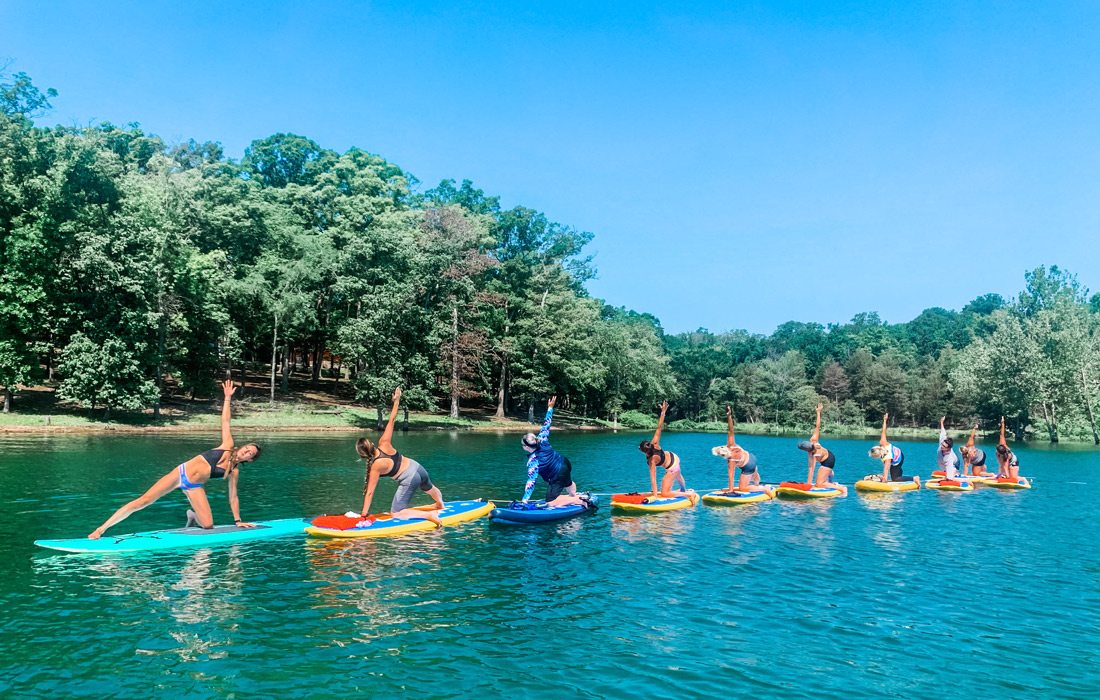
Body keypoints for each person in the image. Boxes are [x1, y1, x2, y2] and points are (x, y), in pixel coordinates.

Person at [89, 379, 262, 539]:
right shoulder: (227, 446)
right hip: (180, 475)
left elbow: (233, 497)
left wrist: (238, 520)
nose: (246, 452)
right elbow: (225, 421)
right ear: (242, 447)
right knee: (144, 501)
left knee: (208, 525)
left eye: (250, 454)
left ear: (251, 460)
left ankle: (193, 517)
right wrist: (226, 398)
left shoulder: (234, 471)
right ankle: (101, 529)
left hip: (194, 486)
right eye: (247, 448)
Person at [356, 388, 445, 526]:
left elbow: (370, 493)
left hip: (409, 478)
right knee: (429, 488)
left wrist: (363, 515)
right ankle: (440, 504)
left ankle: (429, 515)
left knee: (396, 513)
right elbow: (392, 420)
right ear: (372, 444)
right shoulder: (383, 443)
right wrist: (397, 400)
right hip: (417, 467)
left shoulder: (376, 466)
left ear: (363, 455)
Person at [521, 396, 591, 508]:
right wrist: (550, 408)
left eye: (523, 445)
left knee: (550, 502)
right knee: (567, 481)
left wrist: (524, 500)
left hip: (557, 474)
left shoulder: (533, 461)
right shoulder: (542, 438)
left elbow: (531, 483)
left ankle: (579, 501)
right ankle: (572, 494)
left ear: (527, 447)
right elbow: (547, 423)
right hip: (565, 463)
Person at [712, 405, 772, 495]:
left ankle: (764, 490)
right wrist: (729, 416)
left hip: (748, 466)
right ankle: (756, 483)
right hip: (752, 457)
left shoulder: (730, 461)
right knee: (753, 474)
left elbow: (731, 477)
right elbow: (730, 430)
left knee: (742, 488)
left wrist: (730, 490)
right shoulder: (731, 444)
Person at [638, 400, 690, 497]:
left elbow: (653, 479)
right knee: (677, 473)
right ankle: (683, 489)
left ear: (644, 452)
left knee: (665, 493)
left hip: (672, 466)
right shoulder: (654, 443)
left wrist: (655, 496)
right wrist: (663, 412)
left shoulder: (651, 461)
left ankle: (688, 495)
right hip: (674, 456)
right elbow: (659, 427)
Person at [797, 403, 847, 495]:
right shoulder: (814, 440)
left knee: (819, 484)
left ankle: (842, 488)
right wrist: (818, 412)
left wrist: (808, 486)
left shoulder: (813, 455)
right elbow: (817, 426)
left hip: (828, 460)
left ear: (807, 450)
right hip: (826, 456)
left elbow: (811, 469)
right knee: (818, 481)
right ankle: (830, 474)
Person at [867, 413, 919, 485]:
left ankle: (914, 478)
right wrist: (885, 420)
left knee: (895, 479)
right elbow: (883, 431)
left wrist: (879, 477)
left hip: (899, 459)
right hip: (897, 452)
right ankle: (899, 474)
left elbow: (885, 477)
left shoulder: (887, 459)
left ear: (878, 455)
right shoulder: (883, 442)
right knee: (895, 473)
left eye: (875, 457)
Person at [995, 416, 1028, 484]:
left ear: (1000, 453)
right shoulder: (1002, 445)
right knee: (1002, 470)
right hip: (1004, 461)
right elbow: (1002, 434)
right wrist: (1003, 423)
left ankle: (1023, 479)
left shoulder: (1006, 456)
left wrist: (1006, 477)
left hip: (1013, 462)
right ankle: (1003, 476)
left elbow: (1005, 466)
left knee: (1012, 478)